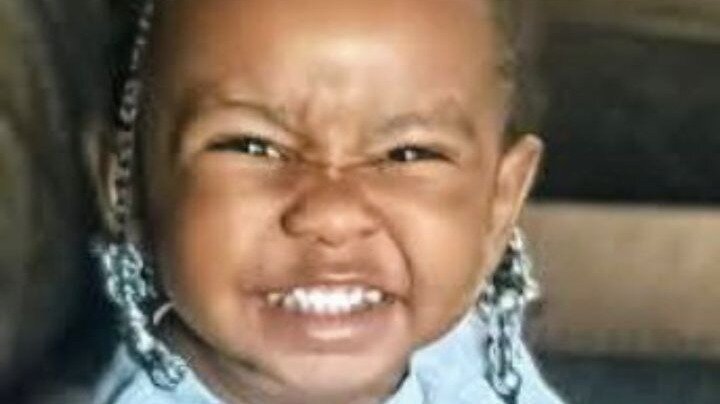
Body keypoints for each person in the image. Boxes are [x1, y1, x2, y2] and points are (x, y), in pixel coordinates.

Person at [90, 0, 563, 402]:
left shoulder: (469, 360)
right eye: (252, 145)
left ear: (501, 202)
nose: (333, 215)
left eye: (408, 153)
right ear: (125, 186)